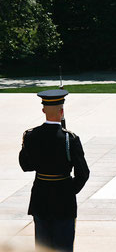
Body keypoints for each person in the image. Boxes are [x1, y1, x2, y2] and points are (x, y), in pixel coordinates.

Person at [19, 89, 90, 252]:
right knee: (63, 247)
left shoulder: (31, 135)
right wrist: (69, 190)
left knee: (43, 247)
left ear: (43, 110)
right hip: (63, 201)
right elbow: (83, 173)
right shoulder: (69, 138)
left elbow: (25, 166)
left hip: (40, 198)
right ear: (62, 110)